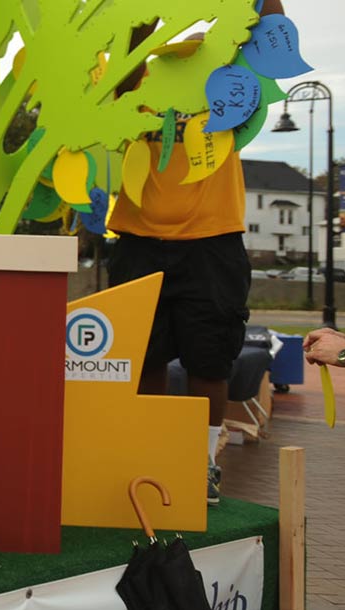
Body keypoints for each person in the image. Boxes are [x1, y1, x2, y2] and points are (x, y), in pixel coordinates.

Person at [107, 0, 284, 506]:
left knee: (210, 363)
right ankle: (145, 457)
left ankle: (202, 463)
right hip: (139, 241)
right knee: (142, 361)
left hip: (212, 242)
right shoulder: (133, 85)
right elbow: (130, 45)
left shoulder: (228, 88)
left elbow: (269, 30)